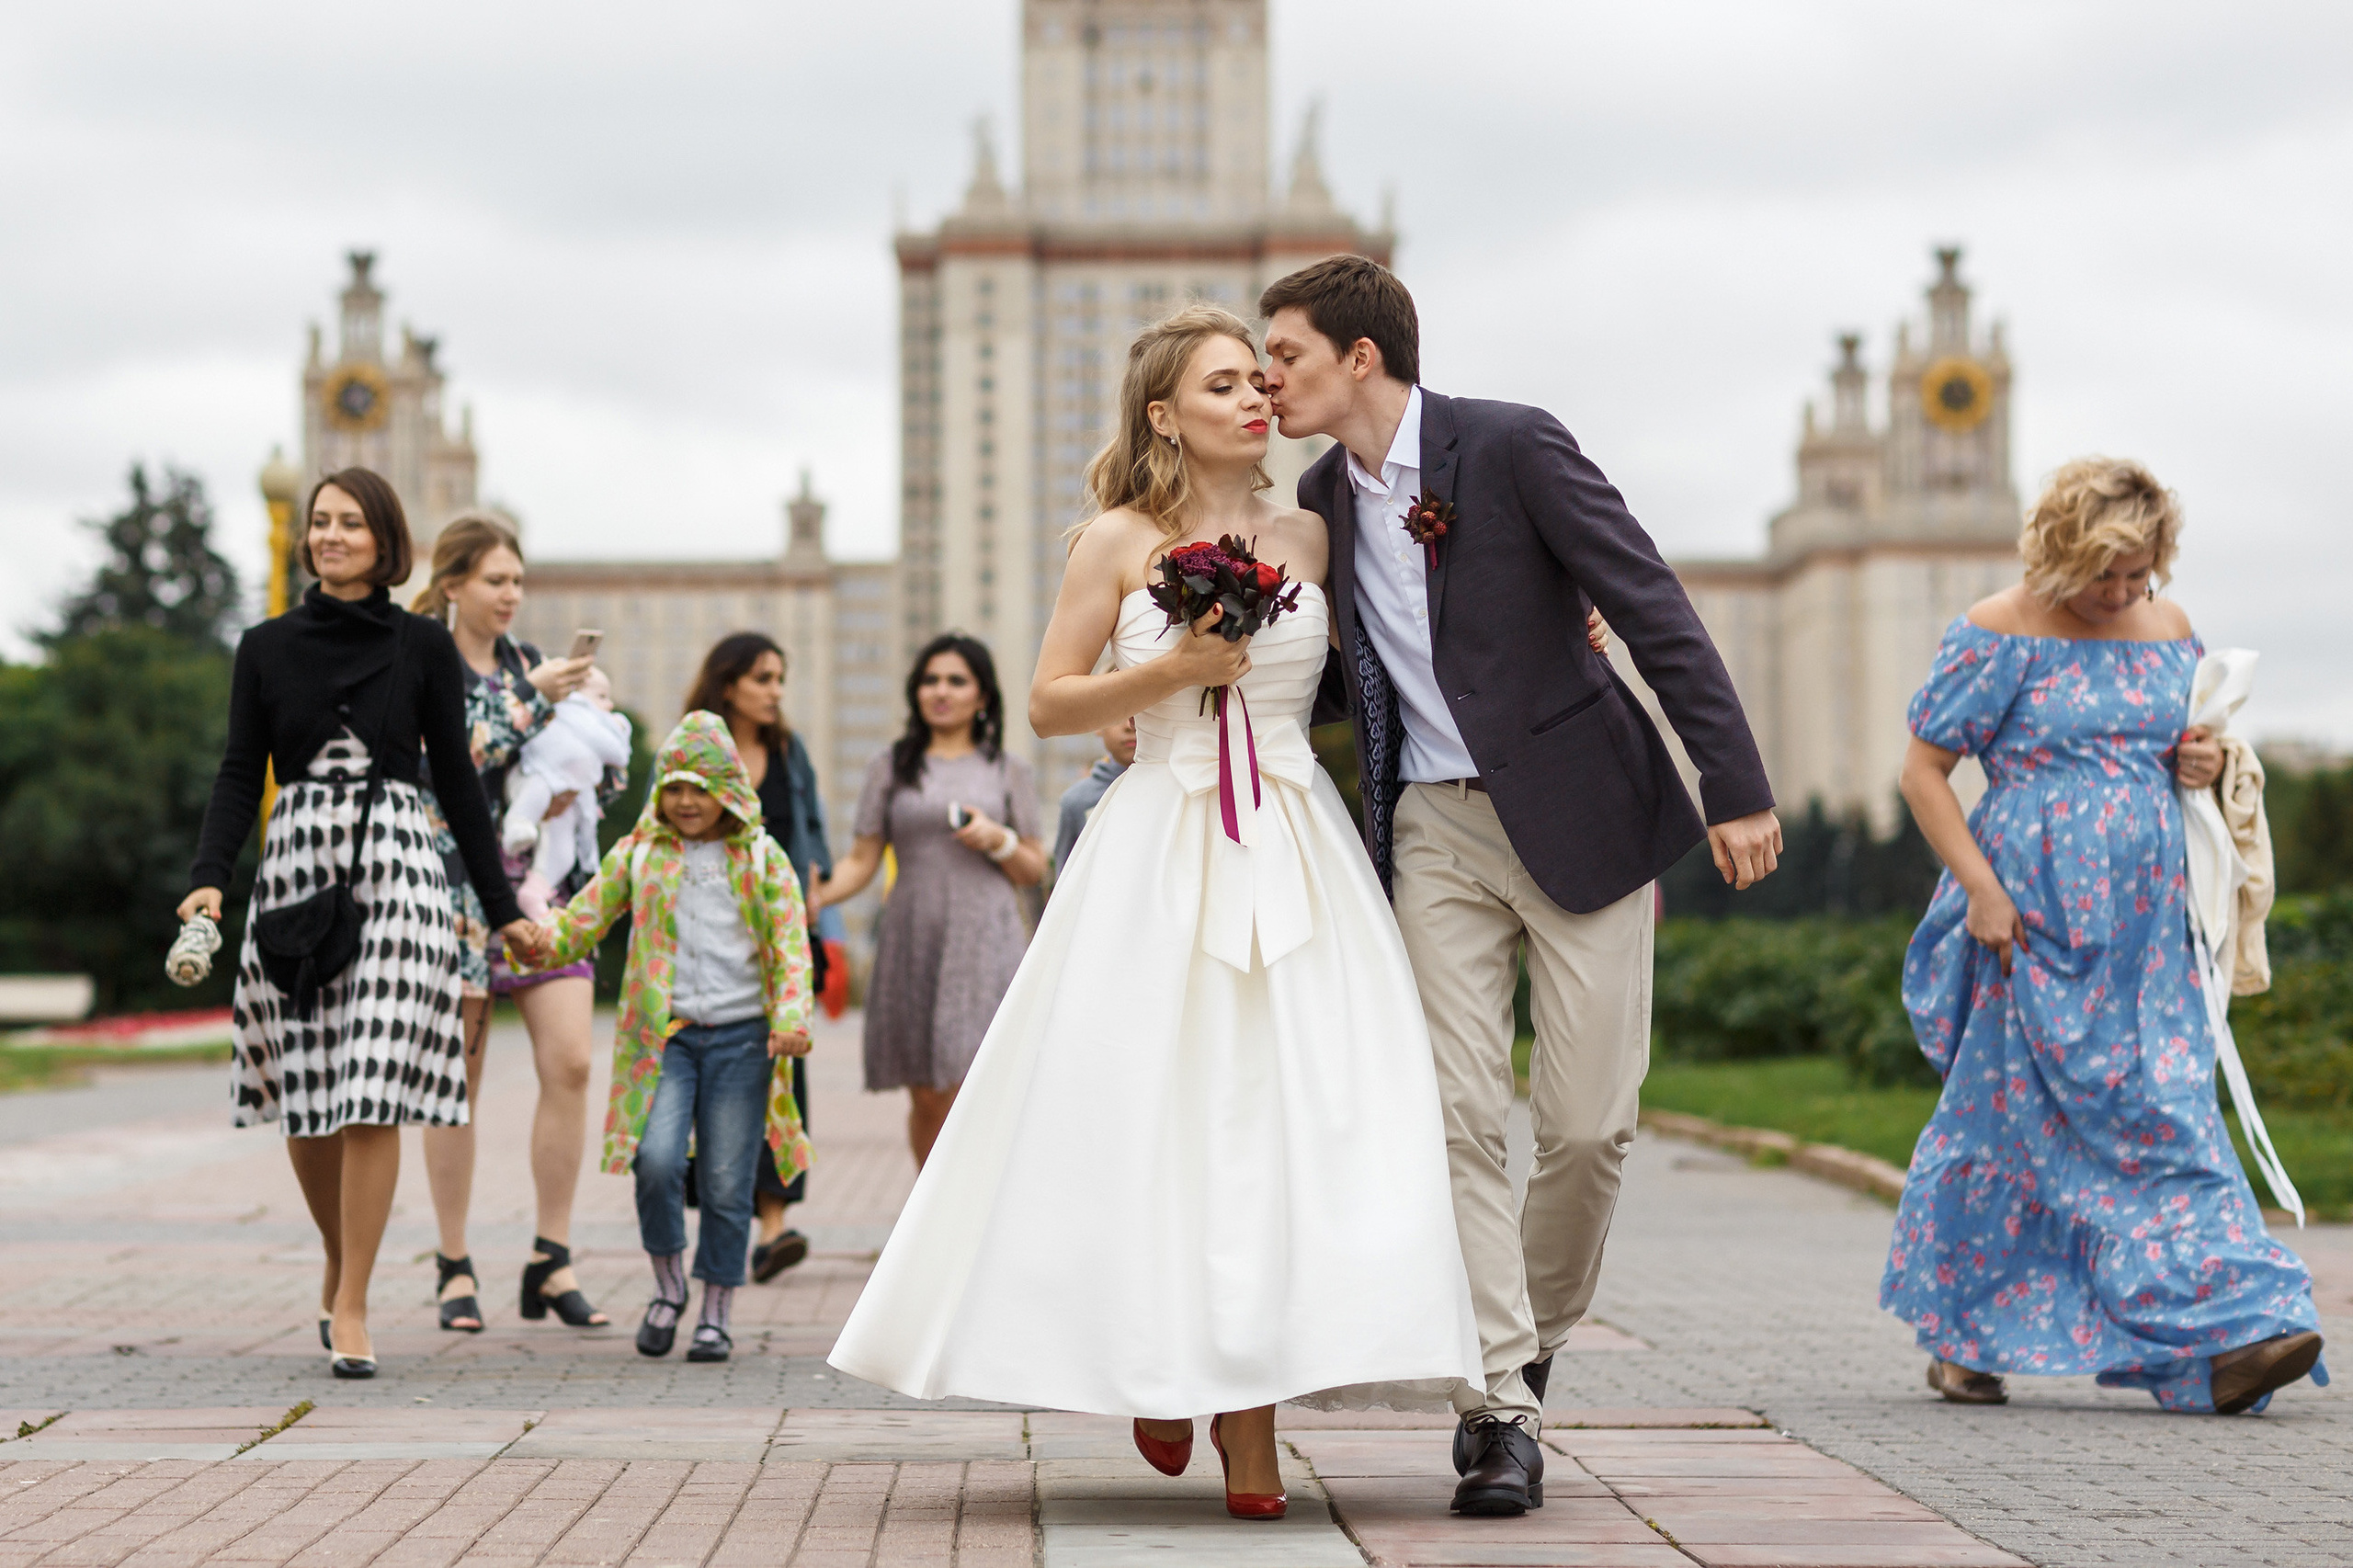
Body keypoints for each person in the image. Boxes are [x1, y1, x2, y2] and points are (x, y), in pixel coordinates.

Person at [829, 304, 1482, 1523]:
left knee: (1284, 1119)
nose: (1254, 398)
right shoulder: (1118, 539)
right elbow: (1049, 700)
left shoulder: (1315, 528)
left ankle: (1252, 1413)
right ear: (1163, 413)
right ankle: (1158, 1355)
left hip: (1291, 841)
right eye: (1225, 382)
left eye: (1258, 378)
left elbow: (1402, 647)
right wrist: (1167, 676)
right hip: (1157, 845)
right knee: (1146, 1111)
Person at [1258, 256, 1780, 1513]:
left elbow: (1646, 601)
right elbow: (1338, 677)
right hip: (1431, 832)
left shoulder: (1514, 446)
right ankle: (1499, 1403)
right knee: (1456, 1116)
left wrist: (1736, 780)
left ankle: (1528, 1334)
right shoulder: (1319, 497)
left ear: (1361, 356)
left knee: (1591, 1124)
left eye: (1285, 354)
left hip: (1583, 814)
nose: (1269, 377)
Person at [1882, 457, 2325, 1415]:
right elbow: (1923, 771)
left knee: (2170, 1104)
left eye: (2138, 575)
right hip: (2027, 916)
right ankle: (1964, 1337)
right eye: (2102, 575)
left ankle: (2236, 1327)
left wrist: (2199, 756)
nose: (2122, 594)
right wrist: (1981, 891)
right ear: (2055, 551)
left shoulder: (2167, 627)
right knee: (2006, 1119)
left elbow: (2181, 743)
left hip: (2147, 923)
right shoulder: (1995, 633)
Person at [179, 469, 544, 1379]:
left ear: (385, 539)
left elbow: (457, 782)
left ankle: (352, 1300)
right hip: (298, 862)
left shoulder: (422, 644)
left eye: (348, 522)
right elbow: (237, 773)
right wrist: (208, 882)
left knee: (374, 1082)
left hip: (399, 863)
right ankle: (341, 1255)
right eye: (318, 523)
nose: (329, 535)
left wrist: (502, 913)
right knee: (309, 1091)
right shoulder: (264, 645)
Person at [525, 712, 815, 1362]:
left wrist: (793, 1017)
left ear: (728, 792)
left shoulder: (761, 858)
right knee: (656, 1160)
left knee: (725, 1176)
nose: (687, 802)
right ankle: (667, 1287)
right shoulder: (641, 853)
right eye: (675, 787)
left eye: (700, 788)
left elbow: (792, 945)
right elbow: (584, 919)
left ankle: (716, 1309)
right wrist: (537, 942)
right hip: (666, 1041)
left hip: (744, 1039)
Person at [407, 516, 616, 1334]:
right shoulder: (422, 660)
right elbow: (450, 757)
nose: (511, 596)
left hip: (542, 894)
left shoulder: (537, 665)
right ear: (453, 583)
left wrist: (576, 790)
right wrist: (537, 702)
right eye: (496, 580)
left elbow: (577, 759)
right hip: (454, 892)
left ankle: (550, 1257)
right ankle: (454, 1263)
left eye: (518, 582)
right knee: (455, 1083)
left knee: (568, 1061)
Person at [811, 635, 1046, 1169]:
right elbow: (861, 860)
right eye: (930, 680)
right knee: (927, 1094)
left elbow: (1034, 866)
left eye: (956, 681)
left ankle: (974, 1220)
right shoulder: (889, 767)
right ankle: (927, 1224)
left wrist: (999, 839)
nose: (941, 691)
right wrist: (809, 897)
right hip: (913, 936)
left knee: (975, 1085)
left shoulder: (1009, 770)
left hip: (986, 938)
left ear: (982, 696)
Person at [688, 631, 833, 1280]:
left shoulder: (788, 750)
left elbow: (815, 833)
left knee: (784, 1073)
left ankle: (774, 1226)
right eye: (764, 678)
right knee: (711, 1075)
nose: (776, 690)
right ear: (728, 684)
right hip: (709, 941)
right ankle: (723, 1214)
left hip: (779, 942)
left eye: (780, 678)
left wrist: (814, 890)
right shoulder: (697, 753)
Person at [504, 665, 632, 894]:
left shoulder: (588, 720)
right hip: (539, 773)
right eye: (601, 696)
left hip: (570, 796)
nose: (609, 705)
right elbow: (618, 754)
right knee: (537, 790)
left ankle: (536, 892)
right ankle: (517, 824)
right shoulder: (574, 713)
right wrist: (620, 730)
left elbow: (618, 770)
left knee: (563, 852)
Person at [1051, 716, 1135, 871]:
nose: (1129, 726)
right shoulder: (1076, 801)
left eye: (1142, 712)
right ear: (1099, 723)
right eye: (1119, 714)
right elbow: (1065, 875)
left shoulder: (1183, 789)